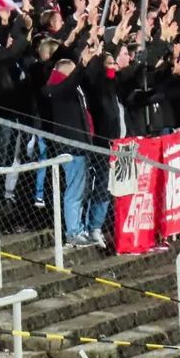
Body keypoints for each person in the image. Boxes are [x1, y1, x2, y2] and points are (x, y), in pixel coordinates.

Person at [42, 50, 109, 248]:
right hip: (71, 148)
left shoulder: (69, 88)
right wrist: (82, 64)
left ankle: (78, 228)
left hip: (81, 147)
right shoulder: (56, 89)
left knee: (81, 190)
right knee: (74, 192)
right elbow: (72, 82)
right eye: (73, 74)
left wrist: (93, 60)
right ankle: (73, 232)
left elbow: (83, 79)